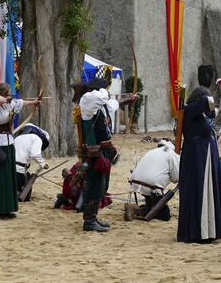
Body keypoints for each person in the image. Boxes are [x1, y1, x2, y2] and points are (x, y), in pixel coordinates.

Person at [74, 77, 132, 232]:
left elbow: (112, 104)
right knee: (95, 185)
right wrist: (103, 89)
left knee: (102, 186)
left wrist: (129, 99)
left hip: (104, 151)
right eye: (104, 88)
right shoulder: (87, 101)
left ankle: (93, 217)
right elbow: (102, 96)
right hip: (94, 153)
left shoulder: (100, 105)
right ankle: (89, 221)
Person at [0, 82, 39, 218]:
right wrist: (6, 99)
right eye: (8, 94)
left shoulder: (9, 103)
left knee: (6, 177)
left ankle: (5, 209)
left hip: (7, 143)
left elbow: (20, 102)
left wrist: (34, 102)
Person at [177, 84, 221, 244]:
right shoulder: (189, 110)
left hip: (205, 155)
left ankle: (209, 230)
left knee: (207, 190)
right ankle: (198, 233)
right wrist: (212, 102)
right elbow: (207, 102)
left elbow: (210, 112)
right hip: (198, 157)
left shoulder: (197, 113)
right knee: (199, 190)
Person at [127, 139, 181, 220]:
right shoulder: (171, 153)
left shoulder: (152, 151)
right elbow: (176, 178)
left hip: (136, 182)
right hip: (152, 187)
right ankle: (137, 209)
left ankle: (142, 208)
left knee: (152, 203)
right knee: (165, 216)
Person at [13, 123, 49, 202]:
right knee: (24, 196)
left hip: (10, 170)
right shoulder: (36, 138)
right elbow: (35, 154)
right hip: (19, 172)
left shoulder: (17, 138)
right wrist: (43, 164)